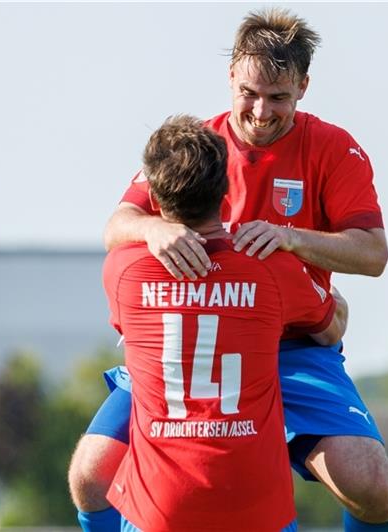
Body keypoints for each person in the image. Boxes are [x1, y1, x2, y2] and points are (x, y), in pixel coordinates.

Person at [69, 8, 388, 532]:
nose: (261, 111)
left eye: (279, 98)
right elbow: (119, 223)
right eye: (249, 93)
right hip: (193, 346)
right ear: (230, 76)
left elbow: (373, 254)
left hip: (292, 345)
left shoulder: (334, 148)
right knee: (91, 477)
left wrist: (292, 238)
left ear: (303, 87)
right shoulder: (197, 146)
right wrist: (153, 229)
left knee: (368, 485)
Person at [101, 114, 347, 532]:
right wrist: (328, 298)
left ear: (155, 201)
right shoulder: (273, 266)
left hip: (159, 510)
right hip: (258, 508)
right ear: (226, 191)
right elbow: (331, 328)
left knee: (89, 480)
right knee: (86, 472)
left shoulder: (122, 271)